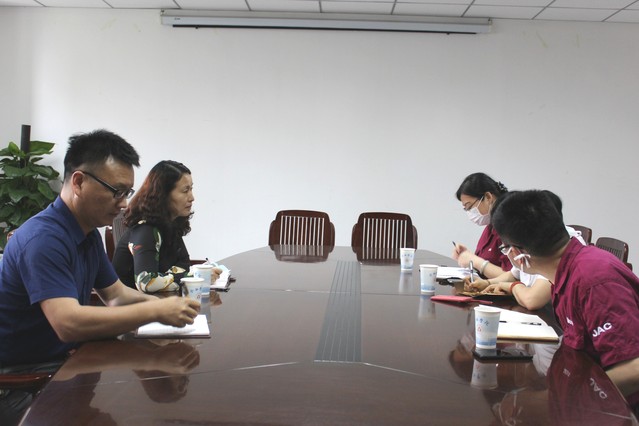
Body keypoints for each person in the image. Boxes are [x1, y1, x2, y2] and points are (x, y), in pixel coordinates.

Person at [0, 130, 200, 368]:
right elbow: (67, 324)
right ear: (78, 182)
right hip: (31, 370)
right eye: (117, 191)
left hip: (70, 356)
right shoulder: (43, 239)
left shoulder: (88, 232)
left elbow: (116, 295)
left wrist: (164, 306)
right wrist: (156, 310)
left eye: (127, 193)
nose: (124, 203)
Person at [491, 189, 639, 407]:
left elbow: (634, 369)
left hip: (620, 410)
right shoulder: (565, 273)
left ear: (515, 253)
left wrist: (557, 402)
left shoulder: (593, 280)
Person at [465, 191, 586, 310]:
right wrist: (487, 283)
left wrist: (513, 287)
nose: (510, 252)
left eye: (506, 247)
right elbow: (514, 274)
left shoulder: (554, 249)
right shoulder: (532, 248)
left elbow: (532, 300)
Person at [111, 160, 220, 293]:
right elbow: (146, 282)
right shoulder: (145, 229)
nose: (192, 197)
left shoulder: (170, 224)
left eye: (191, 189)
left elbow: (183, 265)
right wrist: (197, 277)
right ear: (163, 194)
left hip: (161, 300)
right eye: (185, 191)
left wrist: (191, 274)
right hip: (134, 304)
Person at [452, 173, 511, 279]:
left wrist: (476, 261)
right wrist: (467, 256)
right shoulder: (490, 226)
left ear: (488, 197)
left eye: (469, 206)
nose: (469, 212)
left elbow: (514, 277)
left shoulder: (509, 227)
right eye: (466, 209)